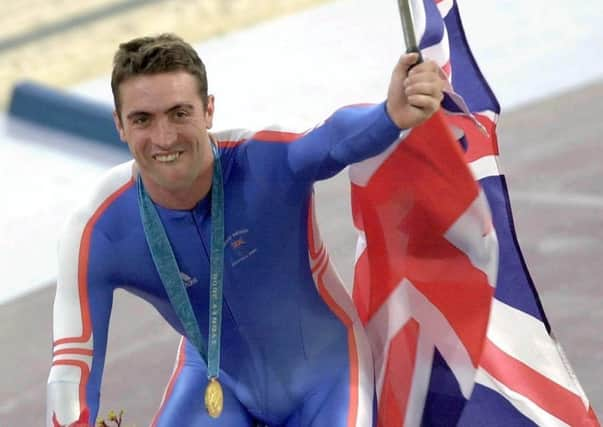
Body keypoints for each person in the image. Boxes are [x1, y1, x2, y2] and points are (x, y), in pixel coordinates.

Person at [47, 33, 445, 426]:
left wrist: (390, 114)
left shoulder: (263, 160)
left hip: (327, 379)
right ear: (119, 125)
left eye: (180, 113)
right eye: (142, 120)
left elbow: (331, 139)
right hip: (215, 387)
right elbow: (71, 367)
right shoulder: (98, 229)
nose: (164, 137)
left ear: (208, 111)